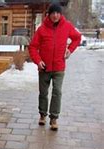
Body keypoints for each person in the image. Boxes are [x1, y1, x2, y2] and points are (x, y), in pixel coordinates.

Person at [28, 3, 81, 131]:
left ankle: (54, 118)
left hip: (59, 67)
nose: (55, 15)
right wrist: (38, 61)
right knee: (43, 93)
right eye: (53, 13)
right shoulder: (41, 29)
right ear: (49, 14)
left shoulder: (67, 26)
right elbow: (33, 47)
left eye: (58, 13)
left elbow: (77, 38)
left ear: (60, 14)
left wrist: (70, 50)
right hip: (44, 67)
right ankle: (42, 115)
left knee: (57, 92)